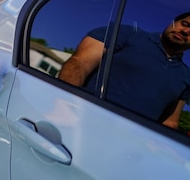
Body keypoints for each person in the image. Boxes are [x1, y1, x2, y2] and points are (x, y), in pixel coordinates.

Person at [58, 12, 190, 130]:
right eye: (184, 24)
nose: (185, 31)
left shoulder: (185, 76)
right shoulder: (127, 33)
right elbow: (80, 63)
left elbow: (170, 122)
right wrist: (64, 105)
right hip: (80, 123)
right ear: (172, 22)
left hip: (128, 147)